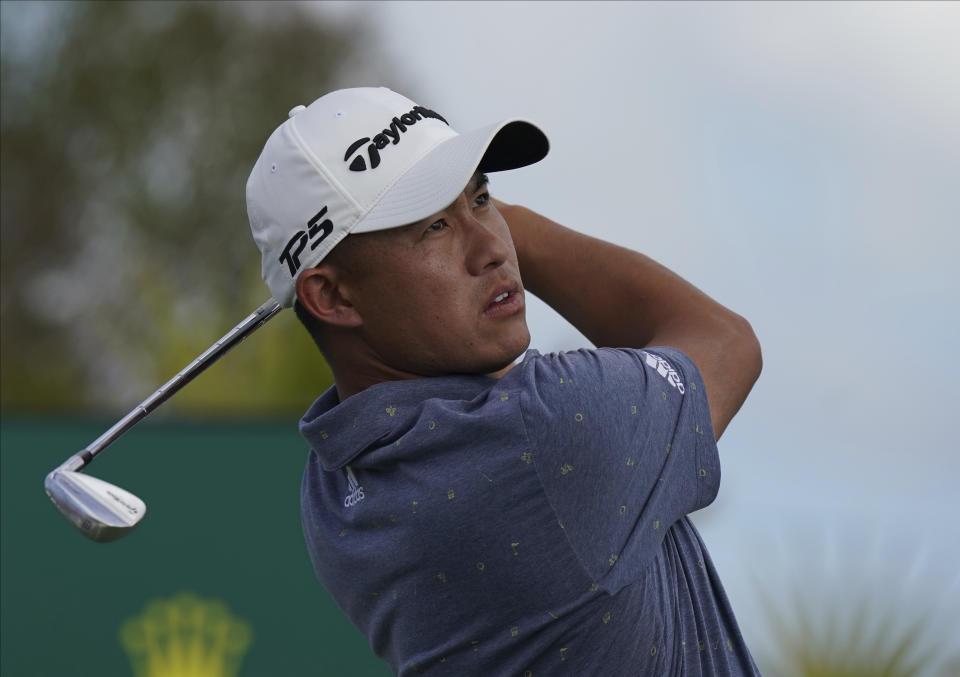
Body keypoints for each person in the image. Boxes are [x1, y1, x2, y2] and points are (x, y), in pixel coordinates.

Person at [246, 87, 763, 675]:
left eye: (484, 198)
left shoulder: (336, 485)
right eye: (434, 226)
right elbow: (724, 339)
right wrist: (510, 219)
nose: (495, 248)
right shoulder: (545, 431)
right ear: (331, 295)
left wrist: (454, 205)